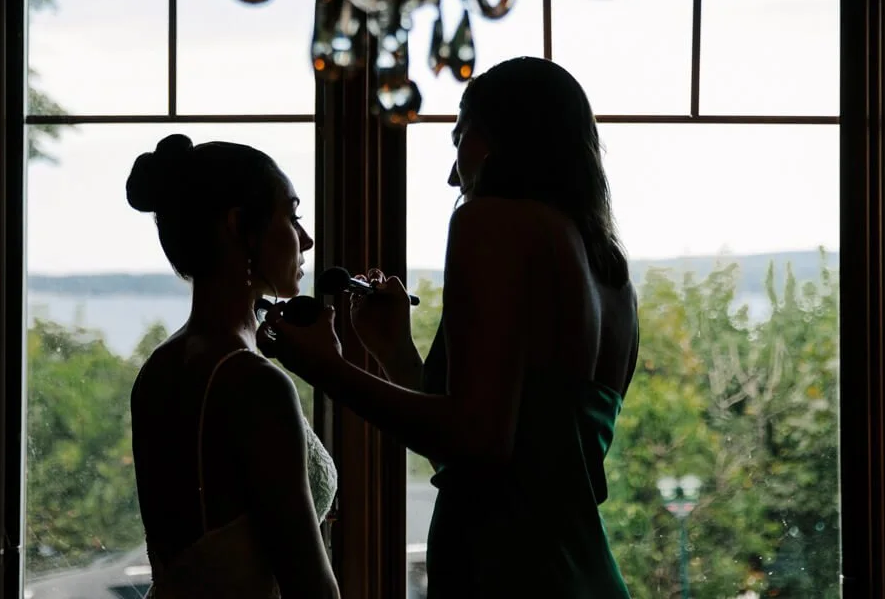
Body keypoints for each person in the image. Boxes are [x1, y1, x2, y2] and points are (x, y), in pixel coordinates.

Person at [264, 57, 639, 598]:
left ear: (501, 138)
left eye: (460, 137)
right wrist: (395, 353)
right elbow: (500, 458)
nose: (452, 174)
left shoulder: (493, 220)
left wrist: (328, 368)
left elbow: (478, 442)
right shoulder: (613, 275)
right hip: (583, 572)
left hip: (505, 574)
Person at [126, 134, 340, 599]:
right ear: (240, 226)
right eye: (292, 216)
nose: (305, 238)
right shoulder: (254, 384)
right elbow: (310, 585)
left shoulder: (159, 369)